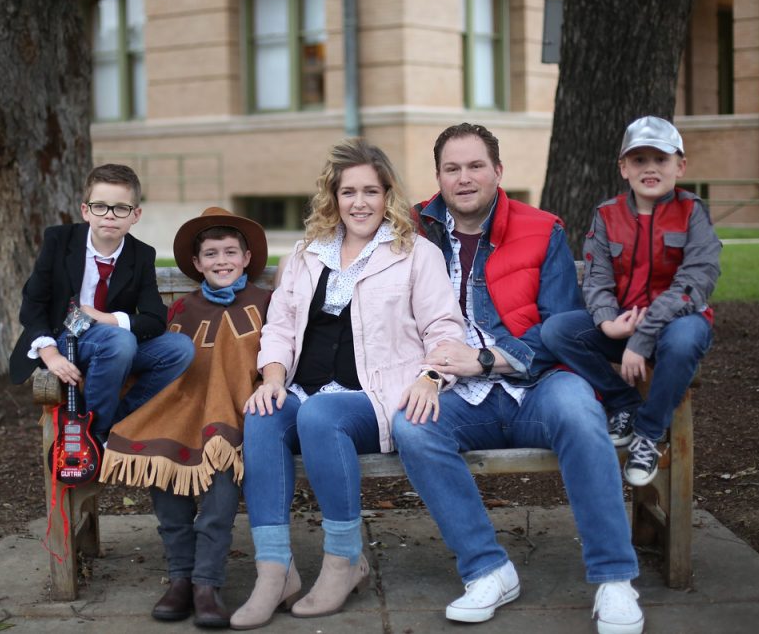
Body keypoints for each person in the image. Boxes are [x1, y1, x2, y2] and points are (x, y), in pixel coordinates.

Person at [393, 123, 645, 634]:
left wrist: (487, 360)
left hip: (539, 383)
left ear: (498, 172)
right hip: (455, 392)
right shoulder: (410, 230)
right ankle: (488, 569)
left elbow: (559, 329)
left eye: (476, 166)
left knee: (579, 411)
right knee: (413, 427)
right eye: (452, 168)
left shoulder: (541, 228)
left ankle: (615, 580)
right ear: (438, 176)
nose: (465, 179)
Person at [230, 138, 466, 630]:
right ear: (332, 198)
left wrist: (431, 376)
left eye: (371, 192)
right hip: (304, 387)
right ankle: (276, 570)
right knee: (263, 412)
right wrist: (273, 376)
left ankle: (344, 560)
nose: (359, 203)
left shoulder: (414, 254)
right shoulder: (306, 255)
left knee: (320, 415)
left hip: (375, 395)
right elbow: (279, 326)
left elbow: (445, 328)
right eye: (348, 192)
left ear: (388, 196)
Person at [99, 207, 272, 627]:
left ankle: (206, 583)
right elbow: (158, 362)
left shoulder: (266, 303)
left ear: (247, 257)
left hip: (240, 414)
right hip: (180, 409)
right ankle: (179, 579)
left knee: (220, 481)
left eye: (230, 252)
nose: (221, 261)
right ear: (197, 264)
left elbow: (281, 357)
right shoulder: (183, 311)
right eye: (211, 254)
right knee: (165, 460)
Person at [542, 116, 720, 487]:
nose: (650, 168)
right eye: (639, 160)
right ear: (624, 167)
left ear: (680, 166)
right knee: (557, 330)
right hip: (625, 324)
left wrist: (641, 340)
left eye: (661, 159)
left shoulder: (693, 213)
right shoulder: (608, 215)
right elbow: (596, 278)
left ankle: (648, 434)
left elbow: (694, 283)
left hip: (677, 325)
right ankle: (624, 402)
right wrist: (608, 321)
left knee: (685, 339)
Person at [8, 163, 195, 446]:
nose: (109, 215)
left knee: (180, 348)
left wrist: (104, 317)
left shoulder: (141, 255)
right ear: (85, 210)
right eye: (100, 207)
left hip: (111, 344)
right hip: (63, 341)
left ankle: (111, 424)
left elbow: (155, 319)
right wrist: (49, 354)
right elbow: (33, 303)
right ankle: (96, 436)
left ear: (135, 215)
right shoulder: (59, 241)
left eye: (121, 208)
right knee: (120, 341)